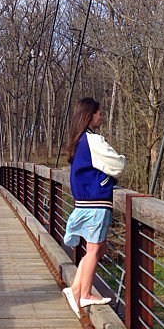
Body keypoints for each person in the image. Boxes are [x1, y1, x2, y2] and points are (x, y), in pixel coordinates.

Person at [62, 97, 126, 317]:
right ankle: (85, 294)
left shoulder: (79, 140)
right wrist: (119, 164)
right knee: (94, 250)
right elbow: (117, 165)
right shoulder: (92, 140)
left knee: (95, 249)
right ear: (90, 115)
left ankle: (76, 290)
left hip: (85, 201)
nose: (102, 116)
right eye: (100, 113)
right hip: (95, 202)